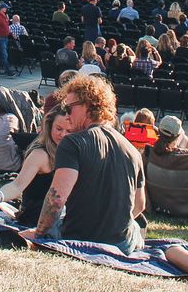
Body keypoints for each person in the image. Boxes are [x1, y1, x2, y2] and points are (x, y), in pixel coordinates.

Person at [21, 75, 145, 253]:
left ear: (87, 104)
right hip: (120, 243)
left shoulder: (73, 143)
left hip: (78, 237)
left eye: (69, 107)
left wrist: (39, 234)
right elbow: (140, 205)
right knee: (135, 229)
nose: (67, 114)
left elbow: (56, 199)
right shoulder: (133, 151)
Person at [0, 108, 75, 227]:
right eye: (58, 129)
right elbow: (17, 185)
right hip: (38, 218)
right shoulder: (40, 154)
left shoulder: (71, 151)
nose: (63, 134)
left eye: (69, 131)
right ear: (49, 127)